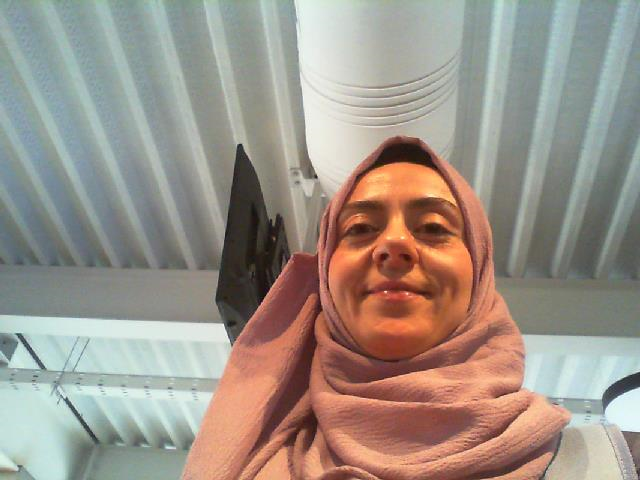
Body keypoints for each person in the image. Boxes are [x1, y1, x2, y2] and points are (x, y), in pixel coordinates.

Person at [182, 136, 638, 479]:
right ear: (325, 276)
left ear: (479, 273)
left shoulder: (616, 465)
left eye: (435, 227)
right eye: (360, 228)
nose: (394, 244)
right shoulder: (250, 467)